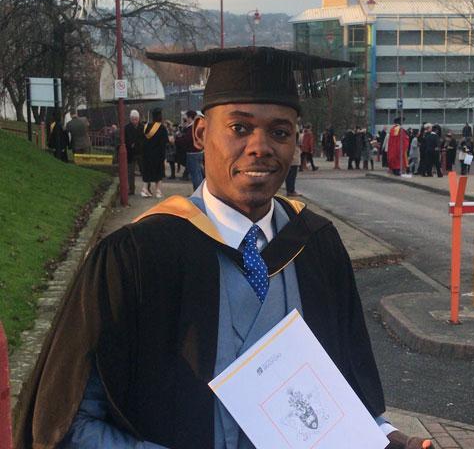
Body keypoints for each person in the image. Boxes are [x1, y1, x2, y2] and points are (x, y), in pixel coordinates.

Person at [15, 46, 432, 449]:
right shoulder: (137, 257)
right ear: (201, 133)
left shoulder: (316, 246)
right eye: (239, 128)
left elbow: (346, 399)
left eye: (280, 132)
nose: (260, 146)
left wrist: (389, 440)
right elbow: (66, 427)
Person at [140, 107, 169, 198]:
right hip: (158, 155)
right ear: (160, 116)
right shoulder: (161, 128)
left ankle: (145, 190)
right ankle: (158, 192)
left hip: (146, 155)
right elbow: (164, 143)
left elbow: (141, 141)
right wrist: (164, 156)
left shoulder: (145, 127)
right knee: (158, 173)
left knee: (147, 172)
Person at [123, 109, 144, 195]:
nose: (134, 121)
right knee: (130, 173)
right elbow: (125, 139)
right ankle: (131, 189)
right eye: (133, 119)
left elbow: (144, 139)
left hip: (140, 152)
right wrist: (130, 144)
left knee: (144, 171)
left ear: (138, 119)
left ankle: (147, 188)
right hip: (131, 153)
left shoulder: (142, 127)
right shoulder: (127, 128)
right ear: (130, 119)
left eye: (136, 119)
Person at [285, 128, 302, 197]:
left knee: (290, 174)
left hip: (291, 152)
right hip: (293, 153)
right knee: (292, 174)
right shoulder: (294, 127)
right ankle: (291, 190)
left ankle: (290, 190)